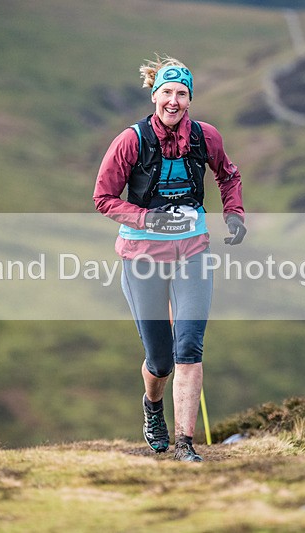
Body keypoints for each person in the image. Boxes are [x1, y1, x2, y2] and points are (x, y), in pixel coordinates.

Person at [93, 55, 246, 462]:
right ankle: (152, 408)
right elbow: (103, 198)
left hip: (193, 250)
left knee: (189, 347)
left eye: (181, 93)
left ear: (190, 98)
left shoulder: (205, 136)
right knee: (160, 361)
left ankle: (184, 445)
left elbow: (228, 174)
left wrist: (234, 213)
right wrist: (149, 219)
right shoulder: (131, 140)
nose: (173, 100)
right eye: (166, 92)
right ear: (154, 95)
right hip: (142, 254)